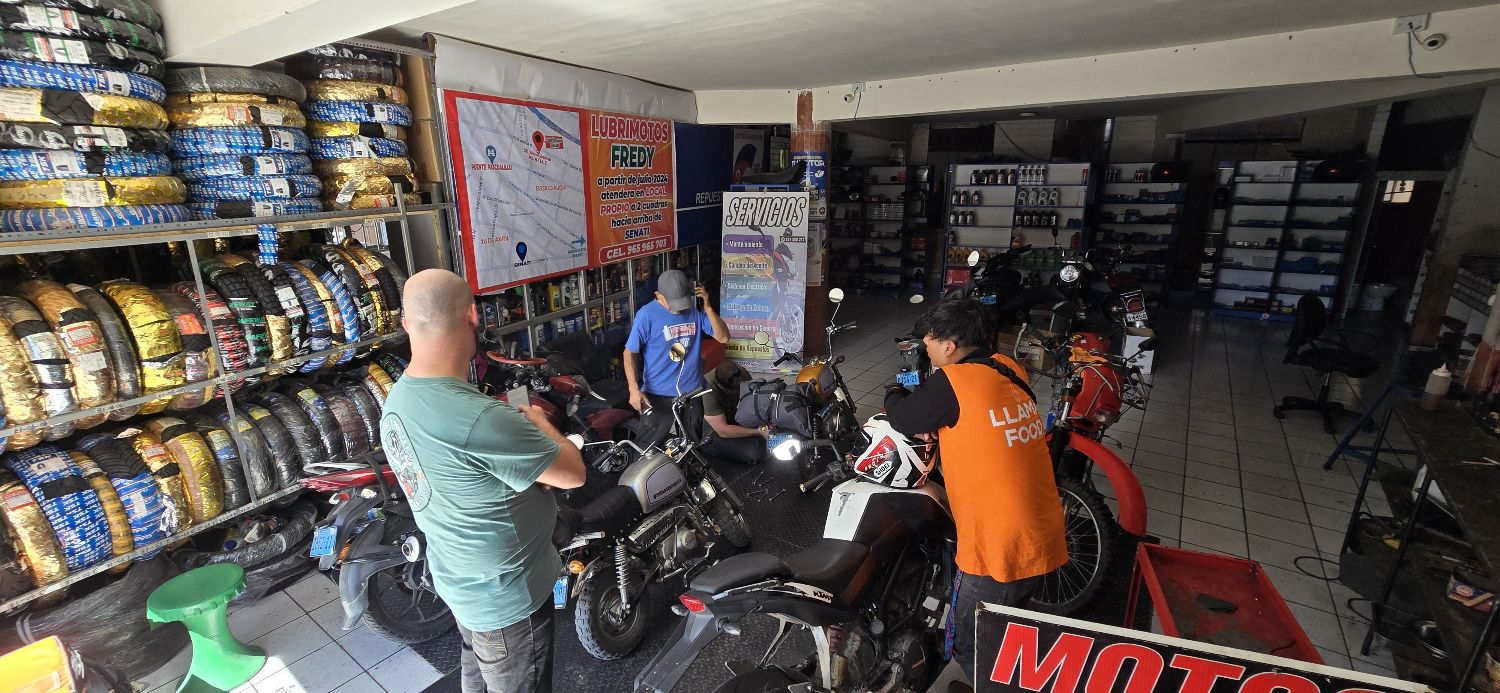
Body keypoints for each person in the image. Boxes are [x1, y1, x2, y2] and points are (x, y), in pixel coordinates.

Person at [380, 269, 585, 693]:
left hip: (461, 580)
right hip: (507, 599)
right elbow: (572, 474)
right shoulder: (481, 418)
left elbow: (459, 478)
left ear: (406, 323)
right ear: (474, 315)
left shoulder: (397, 400)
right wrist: (540, 423)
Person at [882, 299, 1068, 691]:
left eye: (929, 343)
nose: (926, 350)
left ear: (949, 346)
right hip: (1042, 530)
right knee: (1008, 634)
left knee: (971, 643)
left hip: (999, 546)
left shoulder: (955, 380)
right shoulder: (1007, 367)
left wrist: (894, 391)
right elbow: (976, 418)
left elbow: (903, 418)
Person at [623, 269, 729, 447]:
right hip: (658, 393)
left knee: (691, 445)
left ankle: (688, 465)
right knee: (647, 447)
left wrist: (708, 308)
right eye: (673, 302)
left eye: (682, 300)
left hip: (691, 390)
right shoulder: (646, 315)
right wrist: (633, 389)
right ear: (658, 295)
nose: (679, 307)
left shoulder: (693, 310)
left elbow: (723, 338)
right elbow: (629, 352)